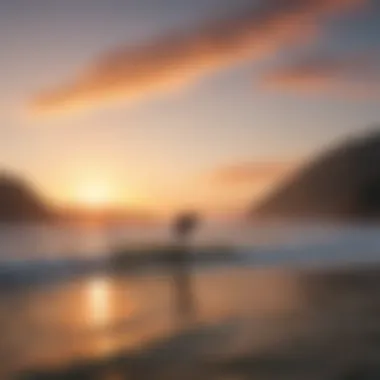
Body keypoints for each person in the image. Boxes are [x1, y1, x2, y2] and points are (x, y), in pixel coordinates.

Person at [171, 212, 200, 320]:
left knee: (183, 284)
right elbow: (181, 230)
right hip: (181, 230)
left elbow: (183, 231)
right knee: (183, 286)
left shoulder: (186, 223)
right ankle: (181, 255)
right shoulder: (185, 222)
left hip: (182, 231)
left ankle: (182, 256)